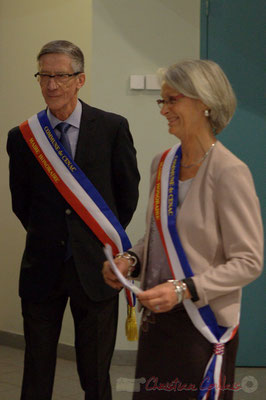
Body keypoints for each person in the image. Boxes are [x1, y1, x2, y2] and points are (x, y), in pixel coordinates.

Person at [103, 59, 263, 400]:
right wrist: (131, 259)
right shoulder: (162, 163)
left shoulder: (230, 171)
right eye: (163, 100)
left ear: (204, 102)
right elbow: (159, 236)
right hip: (158, 323)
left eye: (172, 99)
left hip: (202, 327)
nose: (164, 110)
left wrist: (184, 289)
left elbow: (248, 261)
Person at [7, 40, 140, 400]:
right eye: (44, 75)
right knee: (36, 370)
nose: (51, 85)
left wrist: (96, 239)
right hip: (41, 266)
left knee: (95, 373)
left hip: (97, 267)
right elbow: (21, 202)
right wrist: (49, 235)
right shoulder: (22, 137)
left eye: (61, 76)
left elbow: (126, 195)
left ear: (80, 80)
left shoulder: (112, 128)